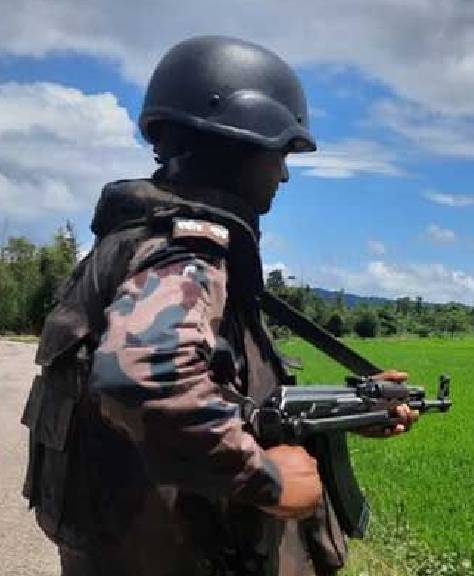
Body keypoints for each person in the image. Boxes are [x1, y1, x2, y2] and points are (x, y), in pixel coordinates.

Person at [21, 36, 417, 576]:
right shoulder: (186, 253)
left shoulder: (132, 243)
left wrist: (350, 413)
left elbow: (225, 391)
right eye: (279, 153)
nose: (283, 174)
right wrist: (268, 479)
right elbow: (143, 377)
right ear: (241, 144)